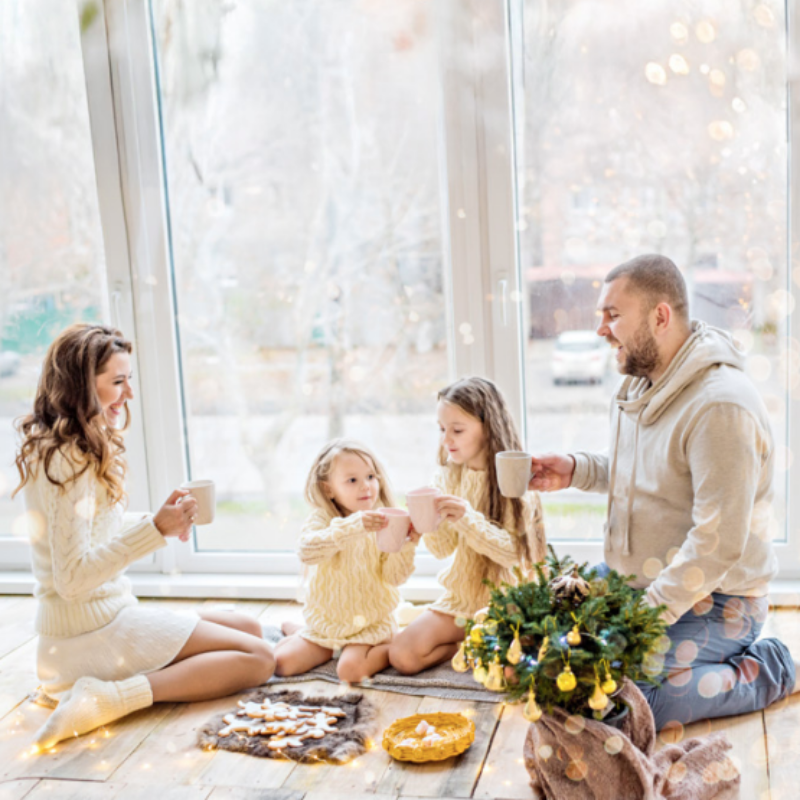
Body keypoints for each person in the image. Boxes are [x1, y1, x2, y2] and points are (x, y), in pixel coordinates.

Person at [529, 254, 797, 730]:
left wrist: (639, 621)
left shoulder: (720, 407)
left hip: (718, 598)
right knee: (548, 649)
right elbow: (652, 473)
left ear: (660, 316)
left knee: (624, 703)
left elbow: (716, 546)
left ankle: (772, 668)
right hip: (644, 579)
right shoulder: (645, 382)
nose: (600, 329)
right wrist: (576, 470)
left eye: (613, 315)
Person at [13, 323, 274, 752]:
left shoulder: (74, 443)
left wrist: (158, 521)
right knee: (258, 658)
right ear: (82, 385)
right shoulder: (68, 457)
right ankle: (111, 697)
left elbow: (91, 531)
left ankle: (117, 681)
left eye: (129, 379)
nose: (129, 393)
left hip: (104, 616)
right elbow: (72, 580)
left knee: (249, 627)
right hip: (86, 635)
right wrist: (155, 531)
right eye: (118, 382)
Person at [389, 377, 546, 675]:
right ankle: (470, 646)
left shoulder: (515, 478)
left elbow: (513, 554)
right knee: (402, 655)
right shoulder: (447, 476)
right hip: (462, 601)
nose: (446, 440)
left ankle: (481, 645)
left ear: (489, 427)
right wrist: (426, 524)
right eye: (442, 429)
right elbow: (442, 550)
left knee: (513, 674)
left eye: (457, 430)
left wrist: (466, 518)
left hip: (508, 604)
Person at [274, 439, 420, 682]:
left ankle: (394, 644)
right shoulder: (323, 518)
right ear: (328, 489)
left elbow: (394, 577)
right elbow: (307, 551)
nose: (366, 486)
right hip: (328, 623)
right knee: (281, 664)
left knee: (350, 671)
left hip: (370, 623)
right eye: (352, 480)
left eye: (370, 476)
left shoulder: (385, 521)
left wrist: (407, 545)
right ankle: (314, 638)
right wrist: (355, 526)